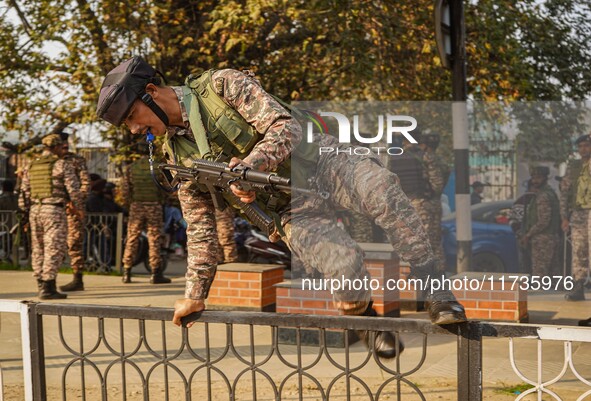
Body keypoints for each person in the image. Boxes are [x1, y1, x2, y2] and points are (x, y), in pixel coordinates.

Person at [96, 57, 467, 359]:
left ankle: (435, 289)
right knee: (342, 263)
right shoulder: (177, 158)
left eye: (130, 117)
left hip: (320, 162)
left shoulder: (221, 86)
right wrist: (195, 293)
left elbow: (283, 126)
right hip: (289, 208)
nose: (132, 130)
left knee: (382, 190)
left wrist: (251, 166)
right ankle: (366, 321)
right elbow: (199, 229)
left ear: (150, 93)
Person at [18, 133, 84, 299]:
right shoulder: (62, 164)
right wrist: (79, 208)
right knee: (53, 247)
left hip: (34, 210)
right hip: (54, 210)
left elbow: (24, 193)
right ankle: (48, 287)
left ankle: (40, 284)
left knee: (38, 248)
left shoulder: (31, 165)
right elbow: (74, 190)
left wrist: (25, 213)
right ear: (55, 147)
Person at [394, 131, 449, 269]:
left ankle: (414, 277)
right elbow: (437, 185)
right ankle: (436, 280)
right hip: (426, 205)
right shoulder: (426, 156)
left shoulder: (394, 158)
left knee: (410, 243)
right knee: (433, 244)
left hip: (404, 207)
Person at [120, 145, 170, 284]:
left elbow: (125, 190)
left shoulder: (131, 168)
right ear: (152, 151)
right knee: (154, 239)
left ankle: (127, 271)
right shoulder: (158, 167)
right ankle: (155, 273)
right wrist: (161, 200)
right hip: (154, 206)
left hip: (136, 206)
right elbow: (166, 187)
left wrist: (130, 203)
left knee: (132, 238)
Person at [58, 133, 91, 292]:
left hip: (73, 208)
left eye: (66, 144)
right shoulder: (50, 161)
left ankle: (77, 279)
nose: (64, 147)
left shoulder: (77, 160)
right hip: (54, 207)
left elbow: (85, 183)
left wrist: (77, 202)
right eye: (61, 145)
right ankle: (48, 279)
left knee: (74, 242)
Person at [560, 134, 591, 301]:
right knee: (578, 251)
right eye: (581, 146)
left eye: (587, 145)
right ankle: (578, 287)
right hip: (578, 212)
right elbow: (565, 192)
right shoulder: (574, 166)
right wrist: (564, 216)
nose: (583, 149)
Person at [519, 166, 560, 277]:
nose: (535, 181)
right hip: (551, 237)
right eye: (533, 178)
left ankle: (541, 293)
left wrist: (528, 235)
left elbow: (543, 221)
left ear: (545, 178)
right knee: (553, 273)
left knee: (539, 273)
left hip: (543, 239)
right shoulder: (551, 193)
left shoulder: (543, 196)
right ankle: (553, 293)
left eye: (538, 178)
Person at [509, 180, 536, 273]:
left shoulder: (518, 202)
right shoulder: (539, 200)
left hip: (521, 238)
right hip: (536, 238)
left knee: (524, 264)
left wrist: (520, 234)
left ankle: (525, 285)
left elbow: (512, 221)